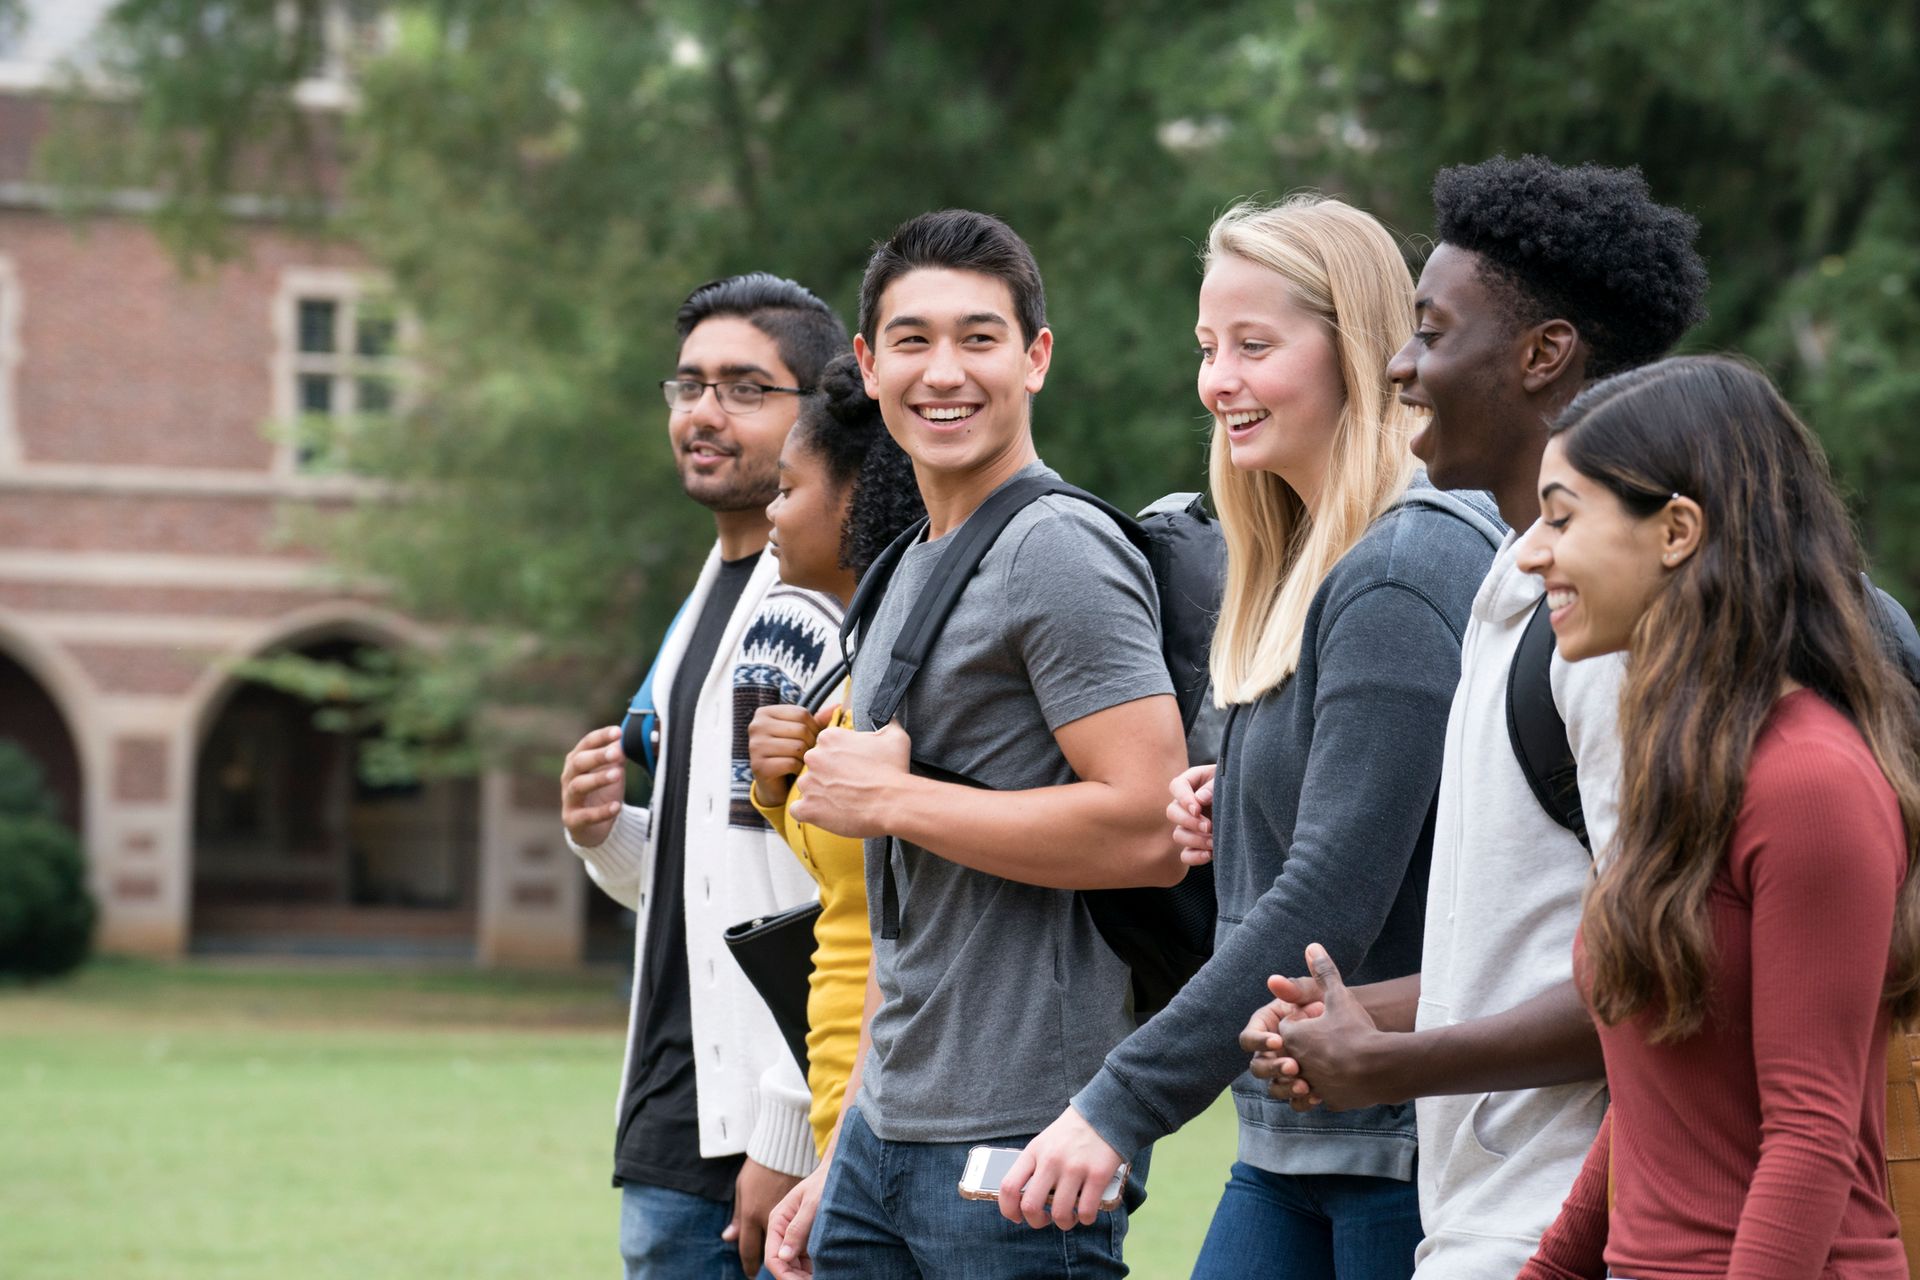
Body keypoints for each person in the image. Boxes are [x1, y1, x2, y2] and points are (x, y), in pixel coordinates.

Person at [1001, 196, 1498, 1279]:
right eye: (1208, 347)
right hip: (1295, 1139)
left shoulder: (1406, 570)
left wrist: (1120, 1101)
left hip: (1405, 1150)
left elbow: (1334, 891)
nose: (1217, 379)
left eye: (1255, 346)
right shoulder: (1301, 572)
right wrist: (1244, 798)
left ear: (1358, 352)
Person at [1233, 156, 1710, 1278]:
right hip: (1485, 1214)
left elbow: (1661, 970)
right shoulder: (1512, 588)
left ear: (1544, 354)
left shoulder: (1611, 630)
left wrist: (1390, 1063)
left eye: (1432, 333)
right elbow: (1539, 944)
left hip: (1565, 1218)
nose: (1398, 365)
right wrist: (1365, 1013)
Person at [763, 208, 1190, 1279]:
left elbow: (1150, 825)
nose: (942, 371)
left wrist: (897, 800)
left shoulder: (1058, 551)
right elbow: (905, 908)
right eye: (910, 340)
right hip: (882, 1130)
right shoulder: (907, 563)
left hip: (1018, 1143)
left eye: (979, 337)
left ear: (1035, 358)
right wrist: (846, 1141)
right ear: (866, 363)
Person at [1512, 354, 1918, 1278]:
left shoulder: (1808, 780)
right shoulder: (1685, 765)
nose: (1534, 550)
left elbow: (1810, 1138)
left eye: (1562, 517)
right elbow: (1657, 1102)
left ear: (1677, 531)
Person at [558, 273, 848, 1279]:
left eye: (743, 387)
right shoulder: (705, 603)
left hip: (755, 1141)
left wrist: (785, 1124)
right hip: (672, 1116)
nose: (703, 412)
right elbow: (707, 877)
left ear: (818, 411)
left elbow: (835, 887)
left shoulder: (807, 606)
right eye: (687, 386)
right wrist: (606, 835)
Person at [747, 351, 926, 1155]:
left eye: (787, 488)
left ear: (853, 497)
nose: (771, 515)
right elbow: (849, 884)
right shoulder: (858, 666)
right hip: (837, 1116)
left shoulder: (917, 670)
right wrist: (779, 786)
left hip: (888, 1117)